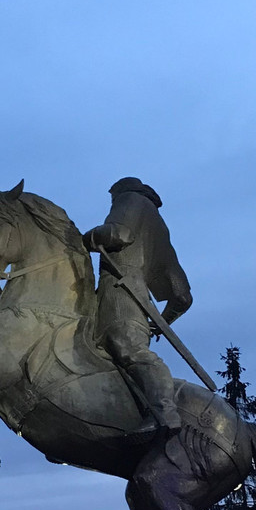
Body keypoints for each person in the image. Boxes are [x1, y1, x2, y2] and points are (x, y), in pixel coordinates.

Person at [82, 177, 192, 437]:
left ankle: (165, 412)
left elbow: (118, 233)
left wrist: (82, 239)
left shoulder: (129, 199)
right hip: (134, 299)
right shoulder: (159, 228)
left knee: (128, 347)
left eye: (112, 199)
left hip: (120, 293)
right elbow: (182, 296)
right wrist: (159, 323)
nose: (112, 203)